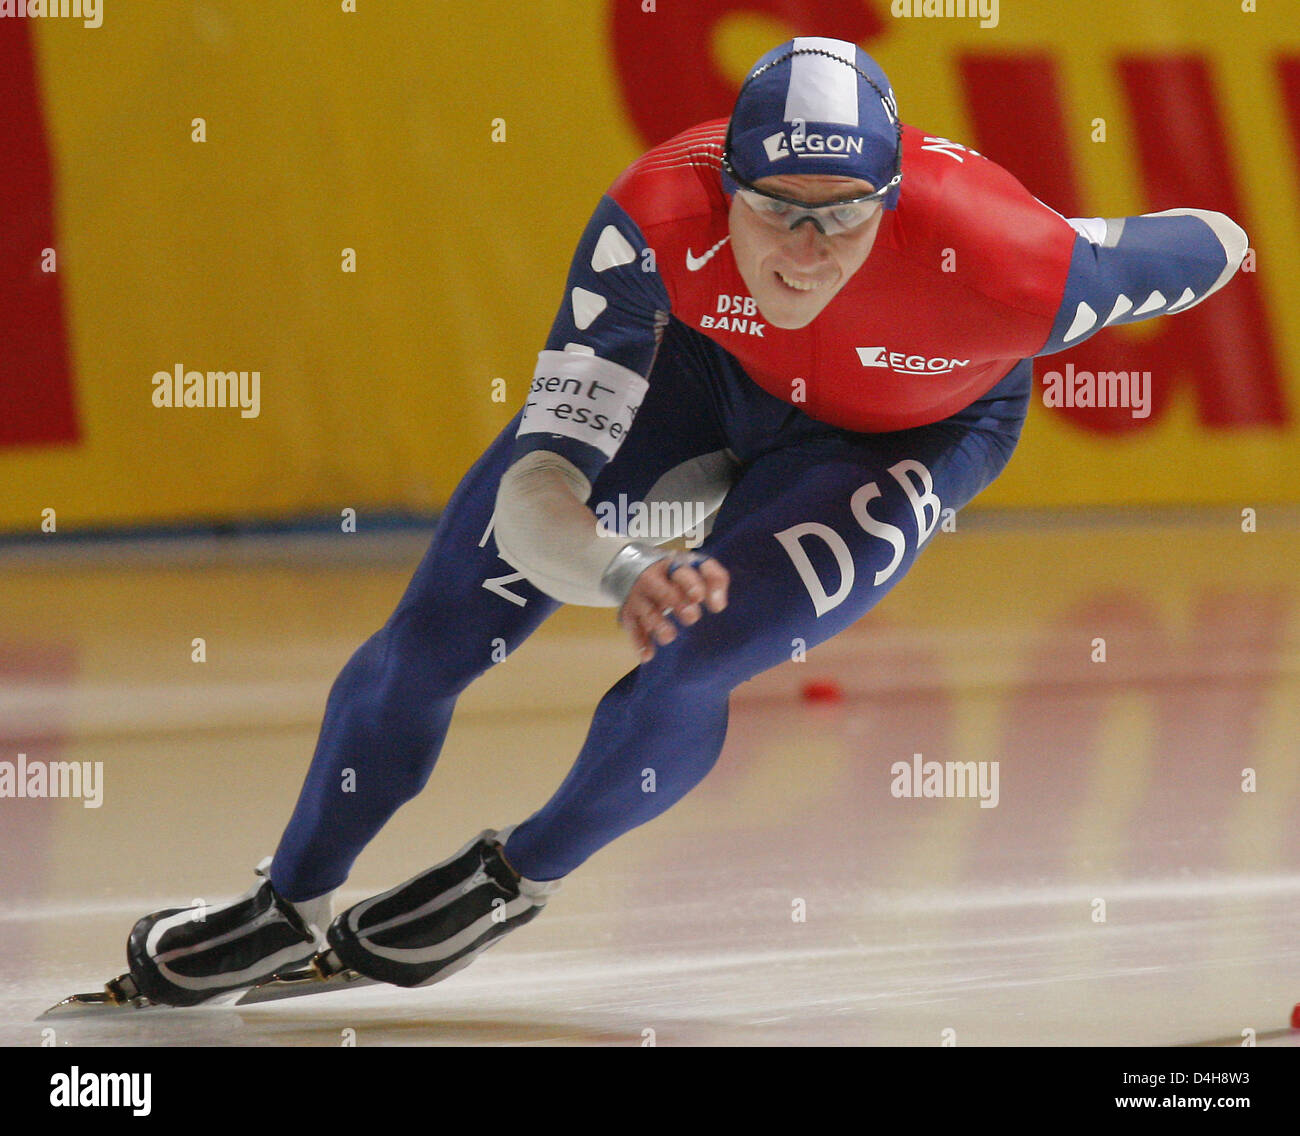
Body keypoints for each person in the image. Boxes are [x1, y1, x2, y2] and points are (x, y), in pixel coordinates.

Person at [123, 37, 1249, 1003]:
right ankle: (290, 897)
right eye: (773, 211)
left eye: (844, 218)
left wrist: (1127, 234)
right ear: (726, 185)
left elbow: (1208, 237)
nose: (804, 252)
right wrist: (621, 571)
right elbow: (535, 496)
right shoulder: (653, 213)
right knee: (433, 632)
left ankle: (517, 877)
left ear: (894, 201)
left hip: (902, 438)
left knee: (690, 659)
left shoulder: (1015, 263)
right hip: (707, 383)